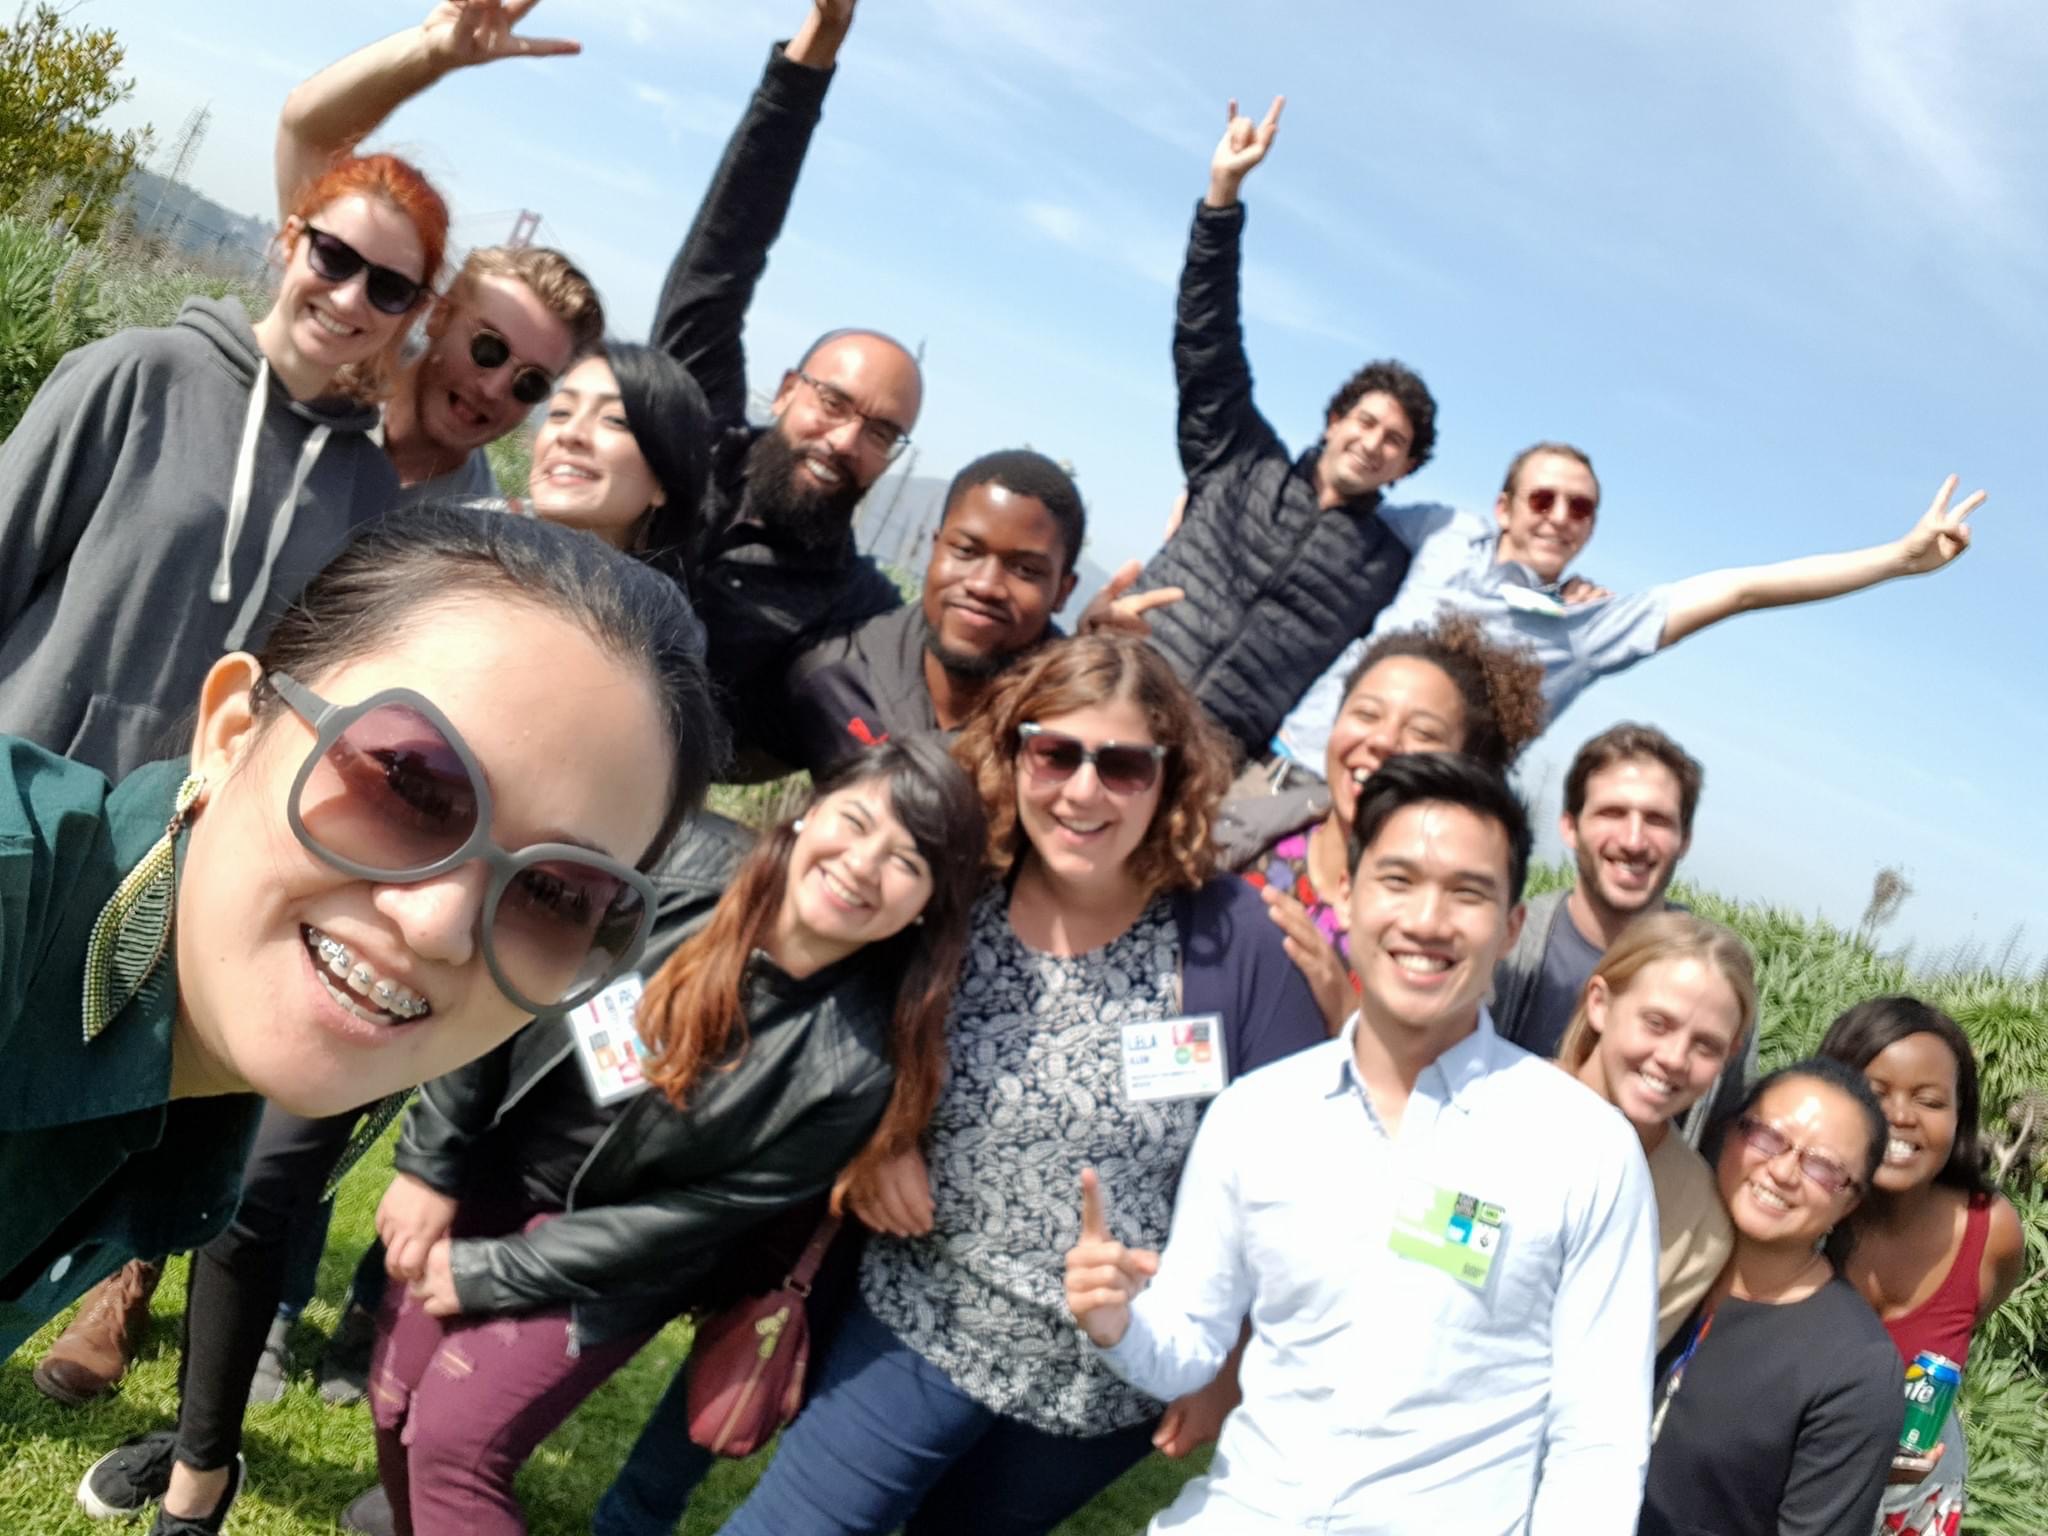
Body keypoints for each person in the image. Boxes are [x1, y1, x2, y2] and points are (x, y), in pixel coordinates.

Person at [0, 503, 718, 1385]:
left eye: (556, 894)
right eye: (409, 786)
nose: (442, 925)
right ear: (232, 731)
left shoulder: (200, 1083)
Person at [715, 634, 1328, 1536]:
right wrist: (878, 1143)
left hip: (1111, 1376)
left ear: (1168, 778)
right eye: (1056, 753)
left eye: (1122, 765)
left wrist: (1229, 1365)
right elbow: (840, 1023)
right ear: (1015, 753)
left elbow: (1295, 1174)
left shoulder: (1233, 939)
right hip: (923, 1320)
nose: (1083, 790)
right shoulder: (955, 890)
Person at [314, 738, 983, 1536]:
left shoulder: (858, 1068)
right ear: (810, 814)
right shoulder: (682, 861)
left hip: (614, 1265)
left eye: (908, 860)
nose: (864, 864)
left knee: (457, 1450)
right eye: (857, 821)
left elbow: (690, 1221)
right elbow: (512, 975)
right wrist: (430, 1166)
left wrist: (491, 1271)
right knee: (393, 1403)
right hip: (483, 1174)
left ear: (928, 905)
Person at [1064, 751, 1657, 1532]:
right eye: (1399, 880)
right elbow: (1190, 1346)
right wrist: (1117, 1322)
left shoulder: (1586, 1150)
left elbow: (1599, 1440)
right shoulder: (1258, 1113)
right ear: (1347, 893)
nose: (1427, 921)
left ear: (1512, 926)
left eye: (1468, 893)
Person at [0, 152, 446, 783]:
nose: (351, 297)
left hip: (175, 841)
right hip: (19, 796)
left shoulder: (367, 485)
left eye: (389, 288)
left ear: (413, 312)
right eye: (335, 257)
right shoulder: (137, 375)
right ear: (290, 241)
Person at [1088, 95, 1434, 761]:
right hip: (1111, 685)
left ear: (1406, 468)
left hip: (1207, 763)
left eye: (1395, 441)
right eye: (1364, 421)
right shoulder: (1240, 458)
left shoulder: (1387, 566)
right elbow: (1205, 338)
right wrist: (1224, 194)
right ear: (1334, 420)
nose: (1373, 442)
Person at [1276, 444, 1987, 762]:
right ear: (1504, 506)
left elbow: (1741, 590)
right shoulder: (1440, 530)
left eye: (1579, 507)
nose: (1559, 515)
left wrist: (1896, 559)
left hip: (1398, 828)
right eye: (1543, 498)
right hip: (1284, 763)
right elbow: (1329, 510)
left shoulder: (1585, 628)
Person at [650, 0, 923, 764]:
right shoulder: (691, 439)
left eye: (880, 432)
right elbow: (722, 257)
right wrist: (807, 65)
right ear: (788, 389)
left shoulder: (853, 609)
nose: (844, 441)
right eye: (834, 403)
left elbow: (947, 670)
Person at [272, 0, 605, 499]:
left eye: (530, 383)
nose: (494, 389)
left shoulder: (472, 536)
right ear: (438, 316)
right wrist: (427, 55)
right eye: (488, 348)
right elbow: (306, 130)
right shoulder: (334, 353)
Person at [1221, 613, 1546, 1029]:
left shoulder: (1445, 940)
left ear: (1466, 767)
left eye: (1423, 733)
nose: (1382, 741)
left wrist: (1347, 1018)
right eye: (1367, 714)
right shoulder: (1230, 835)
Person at [1639, 1059, 1904, 1536]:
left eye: (1823, 1167)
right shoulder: (1651, 1256)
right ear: (1729, 1131)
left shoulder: (1854, 1367)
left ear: (1851, 1203)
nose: (1782, 1171)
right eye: (1767, 1136)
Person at [1821, 998, 2028, 1536]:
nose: (1901, 1116)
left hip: (1912, 1509)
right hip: (1792, 1496)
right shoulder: (1795, 1214)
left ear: (1960, 1116)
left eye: (1929, 1100)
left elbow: (1972, 1316)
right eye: (1876, 1090)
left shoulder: (1989, 1232)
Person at [1494, 723, 1751, 1147]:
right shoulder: (1507, 952)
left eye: (1656, 820)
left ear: (1684, 840)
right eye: (1612, 813)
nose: (1633, 840)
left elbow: (1713, 1141)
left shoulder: (1717, 986)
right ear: (1570, 827)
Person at [766, 449, 1086, 774]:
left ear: (1062, 591)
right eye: (965, 551)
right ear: (935, 548)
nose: (984, 585)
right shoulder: (836, 676)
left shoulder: (1077, 721)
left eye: (1026, 570)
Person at [1553, 913, 1758, 1345]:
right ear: (1600, 1004)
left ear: (1730, 1055)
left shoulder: (1700, 1226)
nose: (1674, 1058)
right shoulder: (1484, 1109)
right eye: (1657, 1023)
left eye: (1706, 1045)